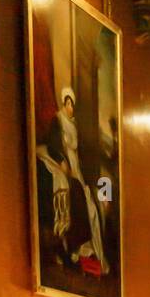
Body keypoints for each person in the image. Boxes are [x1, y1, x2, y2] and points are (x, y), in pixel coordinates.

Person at [37, 87, 108, 276]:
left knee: (89, 201)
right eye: (68, 104)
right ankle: (73, 247)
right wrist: (62, 160)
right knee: (74, 193)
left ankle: (84, 250)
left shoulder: (74, 125)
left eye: (72, 105)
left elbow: (81, 151)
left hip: (75, 165)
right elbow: (53, 144)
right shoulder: (58, 121)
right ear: (64, 104)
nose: (70, 108)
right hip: (64, 162)